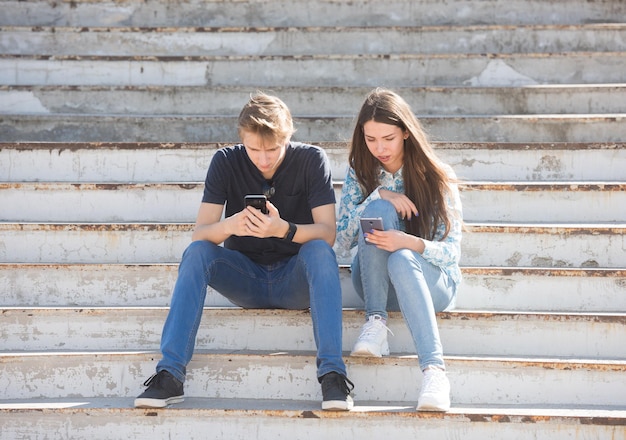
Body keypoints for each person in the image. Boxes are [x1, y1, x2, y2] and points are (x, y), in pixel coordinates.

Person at [135, 92, 354, 411]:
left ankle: (333, 375)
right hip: (245, 279)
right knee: (196, 253)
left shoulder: (311, 159)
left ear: (288, 136)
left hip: (294, 279)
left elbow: (327, 233)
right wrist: (232, 225)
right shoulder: (225, 161)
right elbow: (202, 234)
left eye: (272, 150)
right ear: (242, 139)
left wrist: (284, 229)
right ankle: (170, 374)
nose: (263, 159)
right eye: (254, 149)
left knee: (320, 251)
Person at [335, 88, 462, 412]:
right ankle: (375, 321)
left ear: (406, 132)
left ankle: (434, 373)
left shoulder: (438, 176)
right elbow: (342, 240)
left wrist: (409, 243)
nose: (379, 148)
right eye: (371, 139)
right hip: (375, 284)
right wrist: (378, 195)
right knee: (379, 211)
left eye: (388, 138)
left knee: (404, 259)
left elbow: (451, 254)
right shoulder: (360, 171)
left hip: (432, 285)